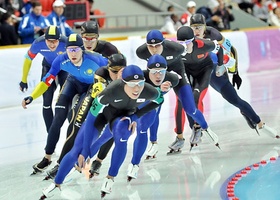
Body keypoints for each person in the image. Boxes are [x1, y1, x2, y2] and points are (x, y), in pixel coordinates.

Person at [40, 65, 164, 199]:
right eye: (132, 84)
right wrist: (86, 149)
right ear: (123, 82)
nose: (137, 88)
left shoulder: (148, 90)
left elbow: (160, 100)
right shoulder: (110, 91)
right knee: (77, 151)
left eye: (140, 84)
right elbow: (90, 119)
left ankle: (110, 177)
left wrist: (135, 116)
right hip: (102, 116)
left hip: (122, 118)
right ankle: (57, 183)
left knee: (123, 133)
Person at [22, 33, 108, 175]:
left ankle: (64, 160)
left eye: (76, 50)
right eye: (69, 50)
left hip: (90, 89)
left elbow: (115, 72)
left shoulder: (96, 59)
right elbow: (46, 82)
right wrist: (32, 97)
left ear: (82, 49)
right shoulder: (60, 60)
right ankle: (47, 157)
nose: (72, 54)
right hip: (72, 83)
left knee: (74, 122)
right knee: (57, 120)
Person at [45, 20, 120, 180]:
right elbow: (57, 71)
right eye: (85, 38)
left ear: (98, 37)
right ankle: (62, 162)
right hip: (82, 86)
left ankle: (98, 160)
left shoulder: (108, 50)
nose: (88, 41)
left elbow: (120, 69)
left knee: (112, 125)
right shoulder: (75, 50)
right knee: (75, 122)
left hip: (104, 90)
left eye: (92, 38)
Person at [189, 13, 279, 139]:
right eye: (193, 27)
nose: (196, 30)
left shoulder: (214, 34)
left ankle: (260, 123)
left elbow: (232, 49)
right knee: (193, 99)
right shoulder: (187, 37)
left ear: (205, 26)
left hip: (216, 72)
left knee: (235, 100)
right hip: (200, 73)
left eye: (199, 27)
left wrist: (235, 72)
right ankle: (196, 128)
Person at [136, 29, 220, 154]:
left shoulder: (176, 48)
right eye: (151, 46)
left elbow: (210, 46)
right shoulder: (141, 52)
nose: (154, 49)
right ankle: (154, 143)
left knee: (190, 108)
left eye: (157, 45)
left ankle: (205, 128)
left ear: (163, 43)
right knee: (153, 108)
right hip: (159, 76)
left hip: (177, 74)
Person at [127, 54, 179, 181]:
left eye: (161, 71)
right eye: (154, 72)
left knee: (144, 126)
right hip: (139, 103)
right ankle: (150, 146)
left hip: (153, 104)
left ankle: (136, 162)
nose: (158, 75)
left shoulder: (172, 78)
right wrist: (158, 89)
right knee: (142, 123)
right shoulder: (140, 77)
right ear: (148, 70)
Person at [175, 25, 224, 150]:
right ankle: (179, 136)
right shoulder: (176, 48)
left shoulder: (203, 44)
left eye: (187, 42)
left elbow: (219, 47)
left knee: (196, 97)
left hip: (204, 70)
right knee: (180, 100)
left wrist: (220, 64)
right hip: (187, 70)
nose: (184, 45)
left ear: (193, 40)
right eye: (181, 43)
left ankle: (197, 127)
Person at [19, 25, 68, 133]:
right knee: (46, 101)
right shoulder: (38, 43)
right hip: (48, 67)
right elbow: (28, 59)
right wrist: (24, 80)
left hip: (64, 69)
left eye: (54, 41)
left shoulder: (66, 42)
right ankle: (50, 136)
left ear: (59, 39)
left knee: (66, 101)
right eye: (49, 41)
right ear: (44, 39)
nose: (51, 44)